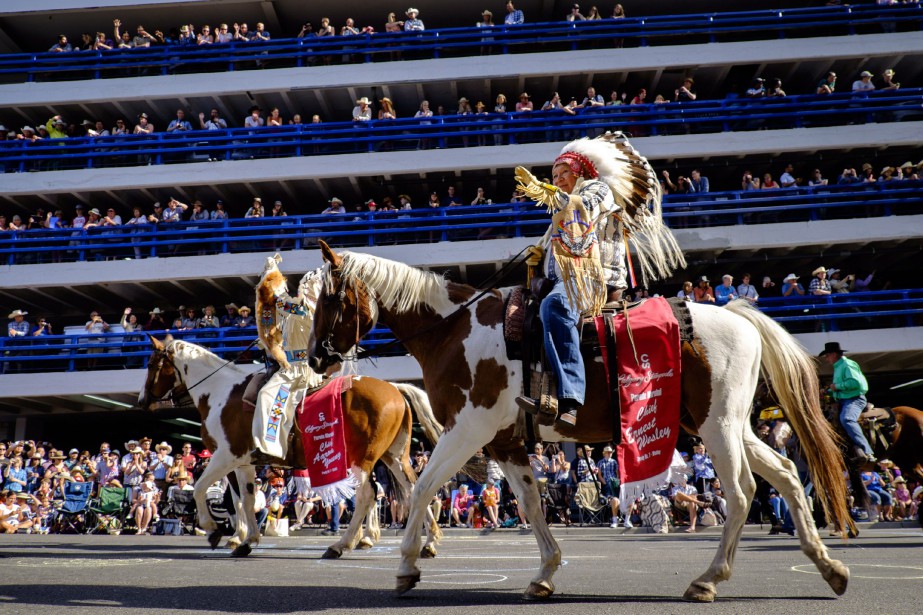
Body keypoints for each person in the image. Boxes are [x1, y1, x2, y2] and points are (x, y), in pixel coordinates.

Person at [819, 342, 875, 463]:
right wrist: (828, 391)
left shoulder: (847, 364)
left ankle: (867, 451)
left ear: (834, 354)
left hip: (855, 399)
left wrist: (836, 386)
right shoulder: (839, 366)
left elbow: (856, 384)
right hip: (843, 401)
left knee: (847, 419)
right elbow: (839, 388)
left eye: (827, 355)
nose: (826, 358)